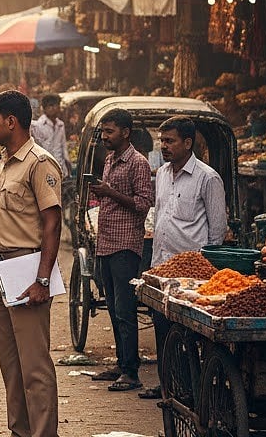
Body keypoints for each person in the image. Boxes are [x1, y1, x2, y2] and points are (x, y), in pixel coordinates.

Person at [0, 90, 62, 437]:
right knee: (11, 367)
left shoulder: (39, 163)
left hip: (27, 271)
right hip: (0, 272)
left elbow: (53, 224)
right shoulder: (2, 163)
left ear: (11, 122)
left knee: (35, 367)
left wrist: (42, 281)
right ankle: (20, 432)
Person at [140, 116, 228, 399]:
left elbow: (217, 232)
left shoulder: (207, 178)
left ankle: (191, 387)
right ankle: (168, 382)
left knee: (190, 335)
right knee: (163, 329)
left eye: (170, 141)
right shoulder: (162, 174)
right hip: (162, 267)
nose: (163, 146)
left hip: (193, 273)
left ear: (188, 143)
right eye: (161, 141)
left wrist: (206, 271)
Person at [88, 109, 154, 392]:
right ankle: (121, 362)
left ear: (125, 132)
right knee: (114, 309)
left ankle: (131, 371)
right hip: (106, 242)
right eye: (103, 131)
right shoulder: (111, 159)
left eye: (109, 131)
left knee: (125, 310)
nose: (104, 137)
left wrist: (110, 193)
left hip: (126, 244)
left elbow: (143, 203)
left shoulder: (137, 163)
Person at [31, 93, 71, 178]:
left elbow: (63, 147)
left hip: (60, 169)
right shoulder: (38, 125)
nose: (55, 108)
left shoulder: (61, 125)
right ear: (45, 108)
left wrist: (68, 166)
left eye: (56, 105)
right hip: (45, 170)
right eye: (51, 106)